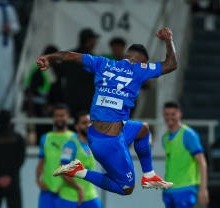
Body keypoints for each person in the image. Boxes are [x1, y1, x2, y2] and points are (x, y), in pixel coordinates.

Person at [40, 27, 178, 195]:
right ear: (143, 61)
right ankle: (79, 171)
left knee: (143, 129)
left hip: (98, 131)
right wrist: (168, 39)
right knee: (126, 188)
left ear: (127, 55)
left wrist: (49, 58)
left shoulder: (102, 63)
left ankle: (149, 176)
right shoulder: (140, 69)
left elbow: (68, 55)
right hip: (107, 143)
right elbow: (171, 64)